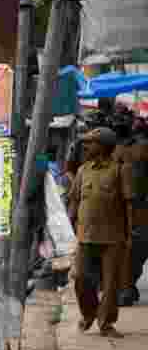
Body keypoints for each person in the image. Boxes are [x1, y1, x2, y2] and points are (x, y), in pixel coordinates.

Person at [68, 127, 132, 339]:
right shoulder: (83, 170)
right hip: (86, 235)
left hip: (113, 236)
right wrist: (70, 223)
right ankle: (89, 314)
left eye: (91, 143)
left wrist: (130, 234)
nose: (87, 146)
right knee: (80, 278)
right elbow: (75, 200)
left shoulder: (119, 170)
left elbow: (128, 204)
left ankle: (106, 322)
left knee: (111, 282)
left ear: (103, 146)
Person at [113, 116, 148, 306]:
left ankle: (128, 285)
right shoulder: (110, 148)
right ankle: (123, 287)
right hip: (114, 206)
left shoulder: (143, 147)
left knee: (137, 247)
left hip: (140, 206)